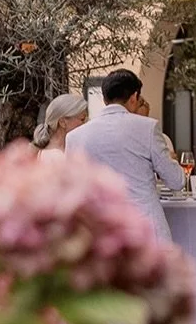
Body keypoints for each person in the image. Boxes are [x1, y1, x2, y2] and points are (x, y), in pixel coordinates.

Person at [65, 69, 183, 241]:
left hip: (100, 233)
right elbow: (176, 181)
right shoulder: (148, 128)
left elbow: (73, 189)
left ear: (104, 99)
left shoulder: (75, 137)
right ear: (134, 97)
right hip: (146, 228)